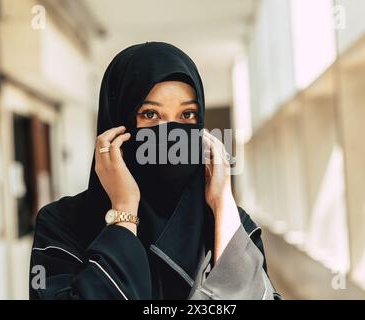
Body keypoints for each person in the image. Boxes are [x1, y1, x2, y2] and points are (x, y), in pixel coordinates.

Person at [29, 42, 281, 300]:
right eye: (150, 113)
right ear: (117, 123)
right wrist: (124, 211)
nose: (170, 133)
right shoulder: (63, 223)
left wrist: (222, 203)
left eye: (187, 115)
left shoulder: (229, 222)